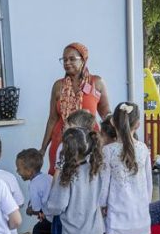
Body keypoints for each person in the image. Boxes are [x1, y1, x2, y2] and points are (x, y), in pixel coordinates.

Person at [37, 108, 98, 234]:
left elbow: (58, 175)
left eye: (68, 126)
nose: (64, 128)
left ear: (77, 130)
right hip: (84, 207)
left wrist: (49, 201)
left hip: (64, 207)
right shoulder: (91, 149)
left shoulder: (65, 149)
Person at [101, 102, 153, 234]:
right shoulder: (143, 149)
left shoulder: (108, 151)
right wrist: (146, 201)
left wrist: (102, 204)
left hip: (118, 205)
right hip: (139, 206)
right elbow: (149, 180)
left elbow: (104, 182)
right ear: (137, 124)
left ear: (113, 122)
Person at [39, 42, 111, 176]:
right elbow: (52, 119)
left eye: (72, 59)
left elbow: (106, 115)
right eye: (64, 59)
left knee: (88, 179)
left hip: (88, 144)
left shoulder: (97, 83)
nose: (67, 62)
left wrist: (111, 140)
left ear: (83, 60)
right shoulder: (58, 86)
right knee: (60, 180)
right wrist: (43, 148)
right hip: (61, 143)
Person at [16, 148, 52, 234]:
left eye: (19, 169)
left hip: (51, 219)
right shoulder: (48, 177)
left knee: (37, 232)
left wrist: (29, 210)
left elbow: (36, 208)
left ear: (29, 171)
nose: (17, 172)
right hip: (59, 217)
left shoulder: (33, 185)